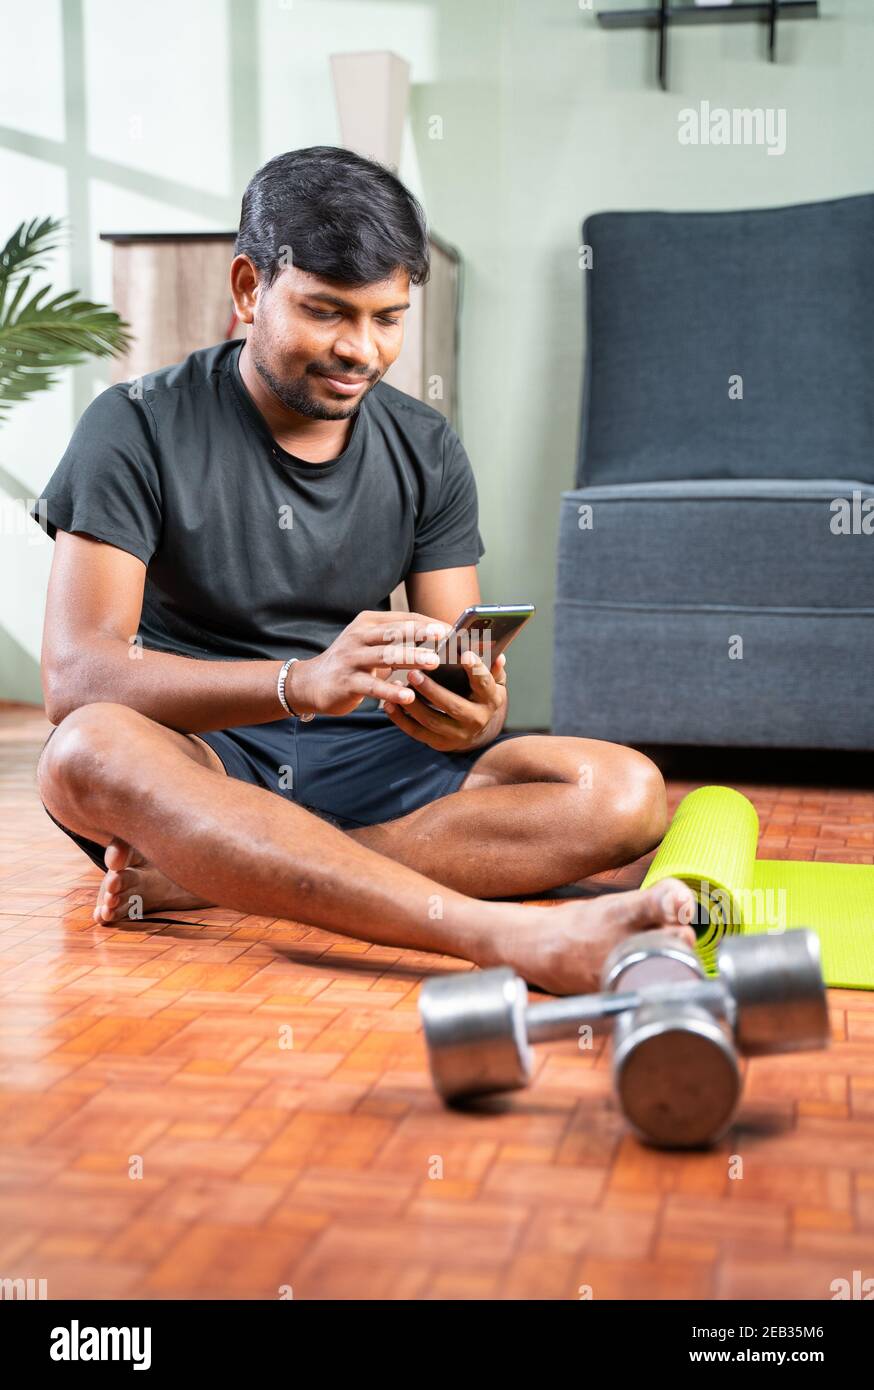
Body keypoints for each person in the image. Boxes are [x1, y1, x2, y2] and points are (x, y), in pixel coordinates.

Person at [33, 146, 694, 996]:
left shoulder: (425, 447)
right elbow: (75, 675)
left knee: (624, 790)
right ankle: (501, 937)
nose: (361, 350)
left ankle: (219, 875)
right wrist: (297, 684)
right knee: (86, 748)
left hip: (370, 755)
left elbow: (465, 668)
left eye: (388, 317)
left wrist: (471, 716)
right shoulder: (132, 425)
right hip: (201, 759)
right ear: (248, 289)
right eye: (326, 312)